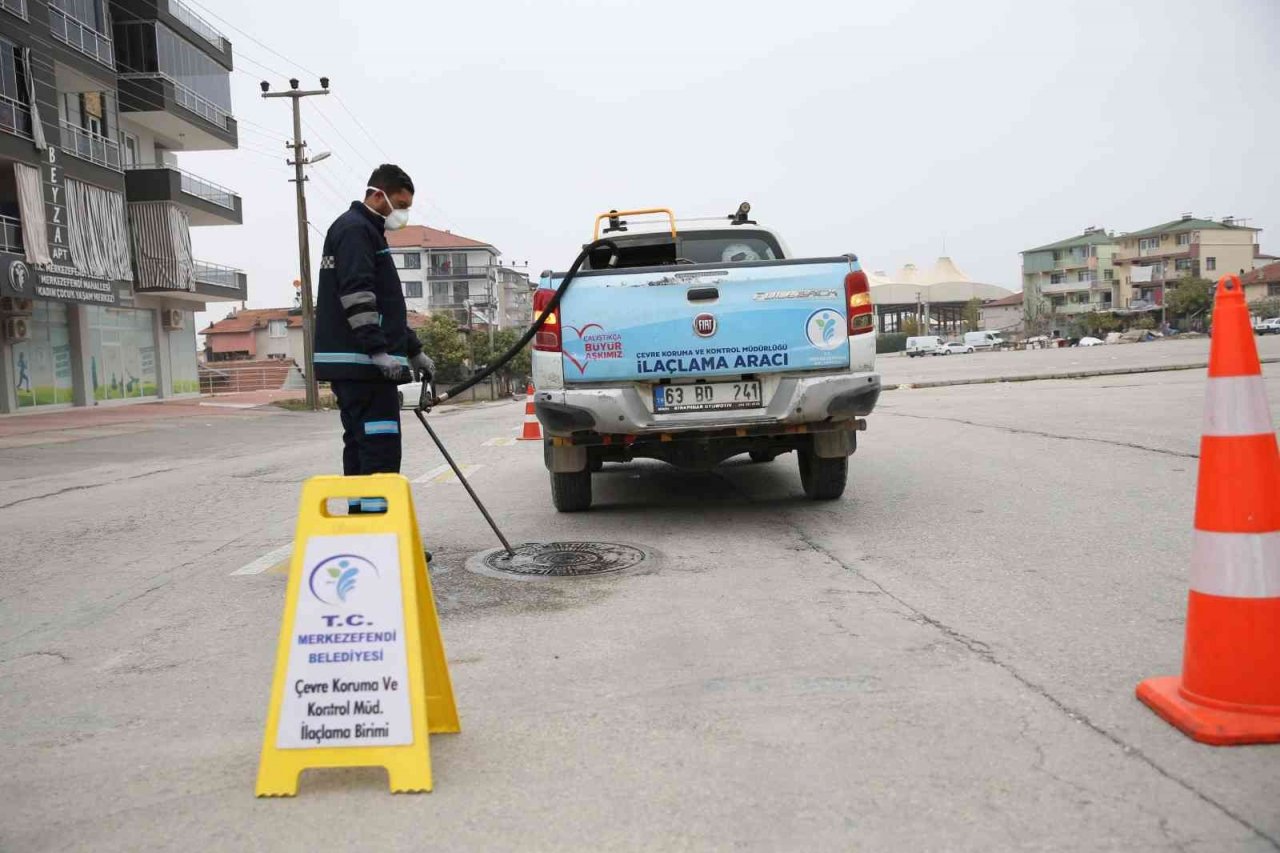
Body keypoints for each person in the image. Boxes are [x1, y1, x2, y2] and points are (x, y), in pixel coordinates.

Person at [314, 164, 435, 512]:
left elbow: (386, 305)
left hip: (358, 365)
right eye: (398, 203)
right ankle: (379, 535)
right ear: (376, 193)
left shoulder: (366, 231)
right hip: (363, 365)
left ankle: (363, 533)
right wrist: (379, 352)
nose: (401, 213)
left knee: (361, 449)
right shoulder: (356, 231)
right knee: (379, 450)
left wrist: (413, 350)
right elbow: (358, 297)